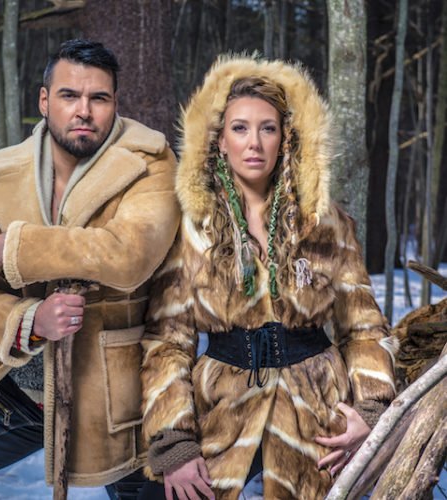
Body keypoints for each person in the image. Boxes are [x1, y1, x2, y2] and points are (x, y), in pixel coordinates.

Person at [140, 55, 398, 500]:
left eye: (268, 128)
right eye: (240, 128)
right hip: (222, 411)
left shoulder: (325, 222)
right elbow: (167, 342)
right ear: (219, 141)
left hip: (319, 410)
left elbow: (363, 329)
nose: (254, 143)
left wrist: (371, 412)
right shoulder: (191, 230)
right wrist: (175, 441)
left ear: (286, 139)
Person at [0, 39, 180, 499]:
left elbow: (127, 256)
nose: (84, 111)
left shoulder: (149, 162)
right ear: (44, 100)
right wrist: (30, 322)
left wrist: (16, 248)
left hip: (115, 403)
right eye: (69, 95)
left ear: (116, 102)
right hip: (22, 391)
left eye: (99, 98)